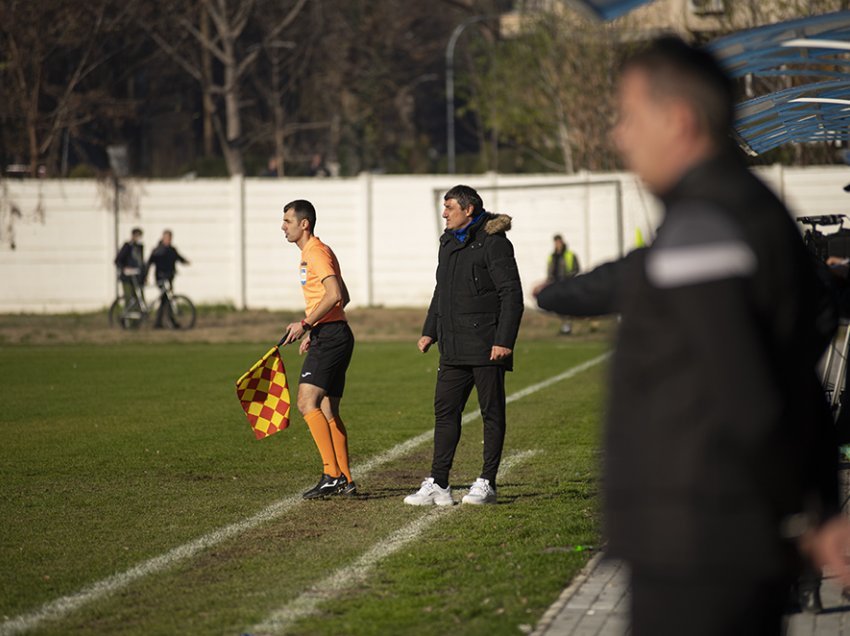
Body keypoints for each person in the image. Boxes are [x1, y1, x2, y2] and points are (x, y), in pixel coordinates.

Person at [534, 36, 850, 635]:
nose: (619, 137)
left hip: (700, 545)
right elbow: (794, 372)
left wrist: (798, 511)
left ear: (677, 120)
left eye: (629, 117)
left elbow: (748, 392)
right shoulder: (745, 207)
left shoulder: (704, 228)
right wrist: (821, 505)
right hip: (727, 540)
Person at [404, 185, 523, 507]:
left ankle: (487, 483)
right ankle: (439, 484)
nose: (444, 213)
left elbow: (511, 294)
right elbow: (440, 290)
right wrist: (430, 331)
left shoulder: (495, 243)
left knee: (491, 414)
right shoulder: (446, 243)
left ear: (468, 209)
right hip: (453, 346)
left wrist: (503, 340)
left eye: (449, 207)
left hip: (487, 346)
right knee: (445, 413)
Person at [280, 199, 356, 499]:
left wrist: (306, 324)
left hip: (332, 336)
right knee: (327, 409)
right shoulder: (314, 253)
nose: (283, 227)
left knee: (305, 402)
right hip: (334, 332)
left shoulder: (315, 252)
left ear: (304, 224)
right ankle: (346, 479)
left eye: (287, 221)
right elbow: (343, 296)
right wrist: (317, 326)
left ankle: (331, 474)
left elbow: (336, 294)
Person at [146, 230, 190, 329]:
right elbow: (149, 263)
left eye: (170, 238)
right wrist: (145, 276)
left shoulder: (172, 249)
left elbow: (178, 257)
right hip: (161, 278)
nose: (169, 240)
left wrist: (185, 261)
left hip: (169, 277)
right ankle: (170, 322)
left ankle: (158, 323)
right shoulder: (158, 250)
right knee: (167, 299)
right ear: (163, 238)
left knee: (165, 300)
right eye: (167, 238)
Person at [546, 234, 580, 334]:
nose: (557, 244)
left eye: (558, 242)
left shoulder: (570, 255)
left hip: (566, 283)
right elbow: (550, 269)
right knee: (559, 306)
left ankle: (567, 327)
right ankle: (564, 326)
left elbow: (576, 268)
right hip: (555, 283)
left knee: (567, 305)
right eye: (555, 242)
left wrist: (567, 277)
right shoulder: (552, 256)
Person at [114, 227, 145, 307]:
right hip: (127, 278)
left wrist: (143, 274)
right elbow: (118, 260)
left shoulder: (140, 247)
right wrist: (124, 268)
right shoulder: (127, 246)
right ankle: (127, 317)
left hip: (137, 277)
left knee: (139, 298)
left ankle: (138, 317)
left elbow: (141, 262)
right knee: (129, 298)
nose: (138, 238)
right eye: (137, 236)